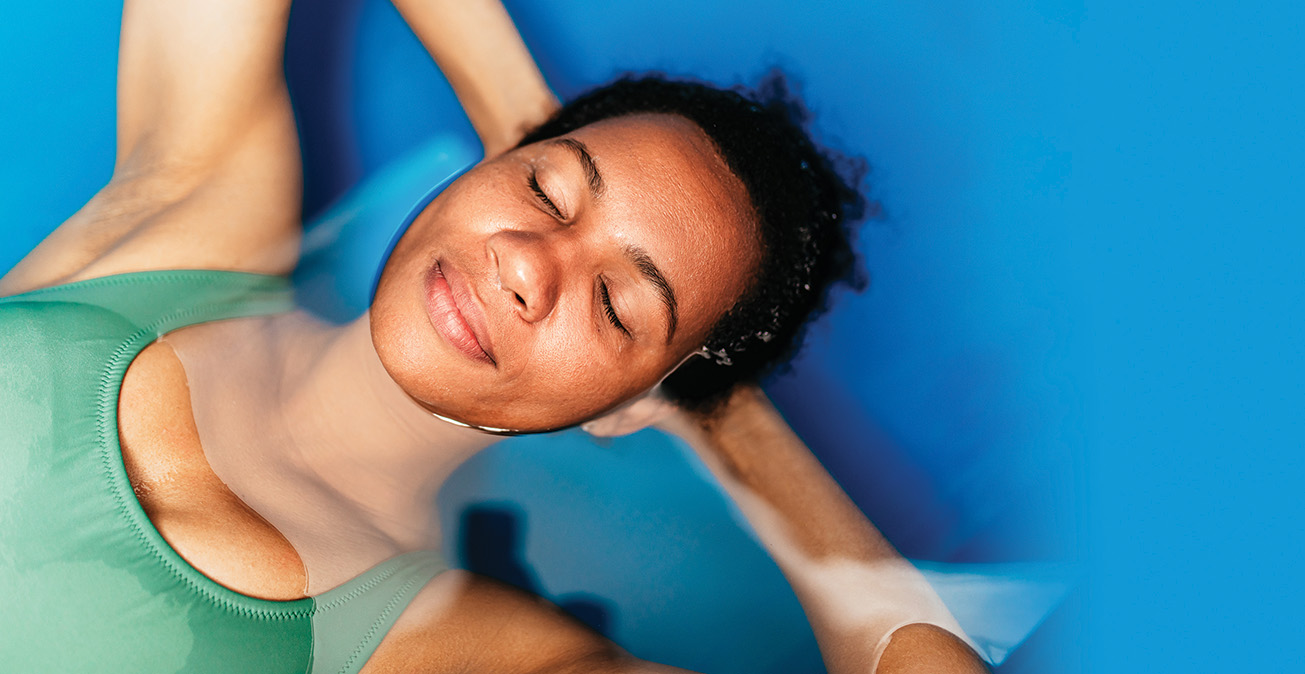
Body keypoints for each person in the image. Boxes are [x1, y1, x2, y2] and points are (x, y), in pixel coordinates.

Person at [0, 0, 989, 672]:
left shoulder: (463, 650)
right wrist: (516, 112)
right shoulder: (194, 210)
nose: (529, 263)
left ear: (637, 399)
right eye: (546, 190)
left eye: (617, 306)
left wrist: (718, 412)